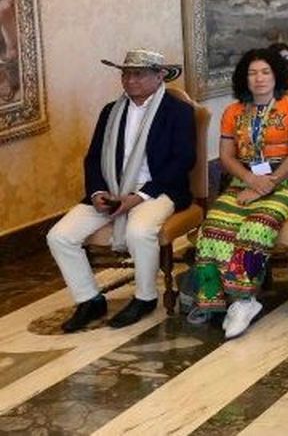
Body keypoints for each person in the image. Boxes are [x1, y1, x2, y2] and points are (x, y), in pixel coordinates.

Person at [50, 50, 195, 332]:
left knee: (138, 231)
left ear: (159, 75)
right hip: (112, 190)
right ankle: (90, 299)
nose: (129, 80)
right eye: (125, 74)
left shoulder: (178, 112)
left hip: (158, 190)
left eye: (138, 74)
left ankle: (145, 297)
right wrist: (97, 193)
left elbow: (183, 160)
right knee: (59, 236)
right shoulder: (111, 111)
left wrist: (137, 198)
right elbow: (93, 159)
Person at [192, 49, 288, 338]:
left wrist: (268, 183)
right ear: (243, 78)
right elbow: (225, 156)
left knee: (256, 226)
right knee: (211, 229)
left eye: (265, 72)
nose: (259, 79)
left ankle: (245, 301)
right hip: (243, 182)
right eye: (252, 73)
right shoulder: (233, 112)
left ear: (276, 76)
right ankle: (214, 301)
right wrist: (249, 180)